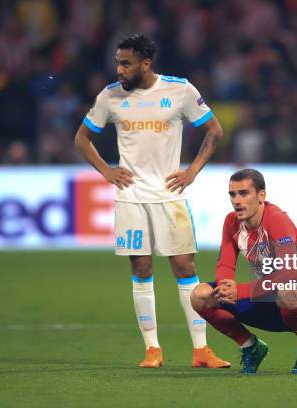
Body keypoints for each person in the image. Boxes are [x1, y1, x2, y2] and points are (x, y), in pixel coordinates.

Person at [74, 34, 229, 369]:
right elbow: (82, 139)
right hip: (130, 197)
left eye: (126, 63)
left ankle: (201, 351)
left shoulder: (180, 90)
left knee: (185, 268)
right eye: (117, 62)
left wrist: (191, 172)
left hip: (169, 196)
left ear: (146, 63)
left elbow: (214, 131)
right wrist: (107, 172)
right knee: (140, 268)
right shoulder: (110, 97)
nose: (119, 69)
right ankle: (152, 350)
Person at [190, 169, 297, 374]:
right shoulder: (231, 222)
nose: (237, 200)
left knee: (288, 289)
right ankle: (251, 347)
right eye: (232, 194)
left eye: (244, 193)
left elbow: (288, 272)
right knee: (200, 296)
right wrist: (225, 287)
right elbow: (225, 264)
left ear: (261, 196)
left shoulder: (277, 219)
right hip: (263, 301)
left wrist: (240, 291)